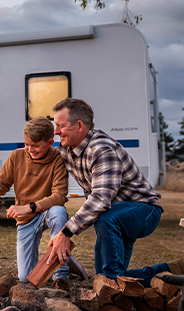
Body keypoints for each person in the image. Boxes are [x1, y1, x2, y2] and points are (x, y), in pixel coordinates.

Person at [47, 98, 183, 283]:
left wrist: (66, 232)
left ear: (79, 125)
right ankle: (167, 272)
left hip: (143, 210)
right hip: (116, 213)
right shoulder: (66, 148)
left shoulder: (102, 150)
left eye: (60, 126)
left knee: (106, 223)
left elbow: (101, 199)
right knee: (105, 277)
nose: (56, 132)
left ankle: (115, 283)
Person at [0, 117, 70, 289]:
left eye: (35, 146)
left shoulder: (58, 159)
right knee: (25, 277)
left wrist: (29, 207)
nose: (30, 149)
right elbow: (3, 183)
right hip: (26, 220)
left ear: (50, 142)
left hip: (45, 212)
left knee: (59, 212)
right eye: (27, 144)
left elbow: (59, 196)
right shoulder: (17, 156)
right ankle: (63, 253)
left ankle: (61, 275)